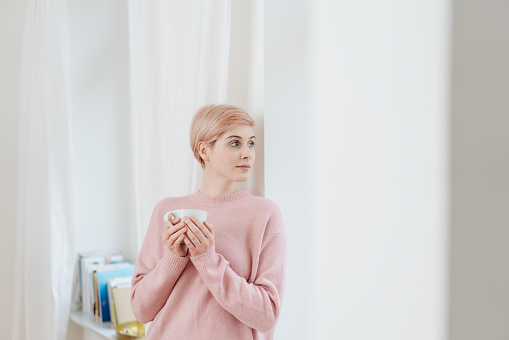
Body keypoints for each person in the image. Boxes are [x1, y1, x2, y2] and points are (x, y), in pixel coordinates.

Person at [130, 104, 287, 340]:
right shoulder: (167, 211)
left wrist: (208, 260)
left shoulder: (265, 214)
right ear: (204, 150)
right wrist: (174, 259)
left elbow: (267, 315)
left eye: (251, 143)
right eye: (235, 143)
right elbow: (141, 310)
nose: (248, 153)